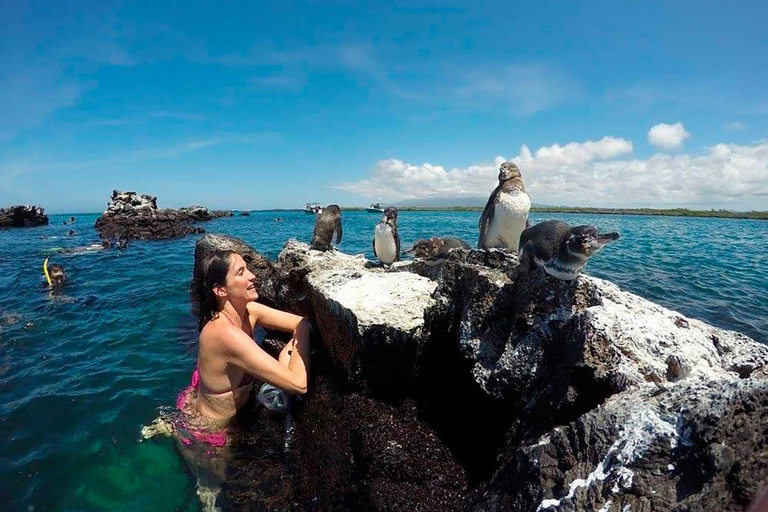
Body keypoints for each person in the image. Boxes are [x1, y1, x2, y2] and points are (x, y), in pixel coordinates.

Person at [180, 249, 311, 423]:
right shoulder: (225, 334)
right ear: (220, 290)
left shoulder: (248, 312)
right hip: (209, 429)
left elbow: (302, 322)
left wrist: (294, 342)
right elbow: (298, 384)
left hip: (227, 410)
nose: (252, 276)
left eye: (247, 269)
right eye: (241, 272)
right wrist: (292, 349)